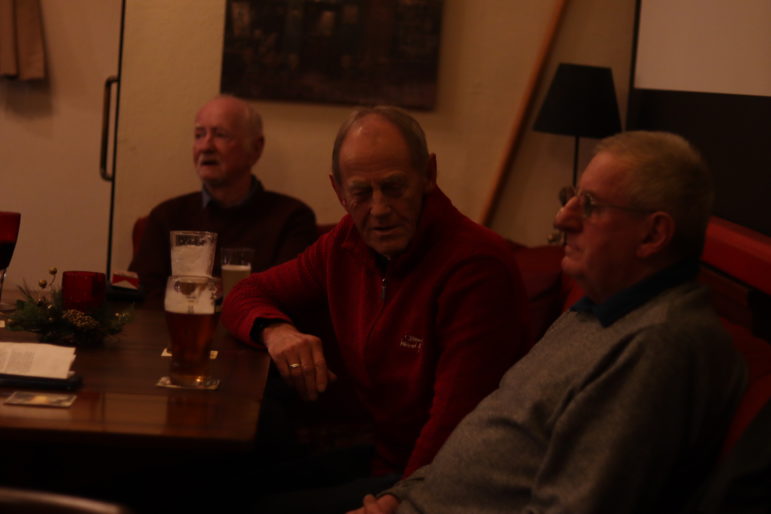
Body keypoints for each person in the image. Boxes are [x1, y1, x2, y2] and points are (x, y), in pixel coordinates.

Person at [350, 131, 748, 514]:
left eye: (589, 205)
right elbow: (485, 444)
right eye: (570, 198)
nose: (562, 218)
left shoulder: (658, 345)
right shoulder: (595, 310)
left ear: (653, 234)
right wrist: (397, 498)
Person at [221, 106, 532, 508]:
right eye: (362, 193)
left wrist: (396, 503)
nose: (380, 210)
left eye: (394, 187)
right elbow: (243, 294)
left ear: (428, 175)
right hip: (383, 460)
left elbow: (453, 427)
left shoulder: (476, 266)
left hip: (445, 483)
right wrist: (277, 331)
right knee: (217, 487)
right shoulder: (345, 243)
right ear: (339, 191)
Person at [129, 95, 317, 304]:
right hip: (178, 333)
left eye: (220, 135)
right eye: (199, 135)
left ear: (256, 148)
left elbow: (287, 297)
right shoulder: (166, 216)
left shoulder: (292, 218)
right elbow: (141, 295)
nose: (206, 146)